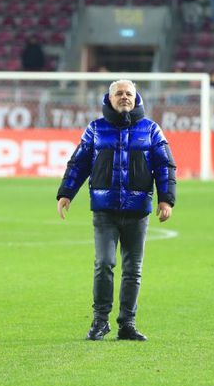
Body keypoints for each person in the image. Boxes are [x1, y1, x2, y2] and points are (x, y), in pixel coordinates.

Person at [56, 79, 176, 342]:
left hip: (137, 211)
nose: (124, 97)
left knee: (133, 269)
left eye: (128, 93)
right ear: (109, 99)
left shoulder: (151, 130)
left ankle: (127, 324)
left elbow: (165, 166)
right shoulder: (95, 129)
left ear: (136, 98)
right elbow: (79, 163)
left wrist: (166, 199)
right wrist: (66, 193)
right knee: (104, 264)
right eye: (119, 94)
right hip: (105, 212)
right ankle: (100, 321)